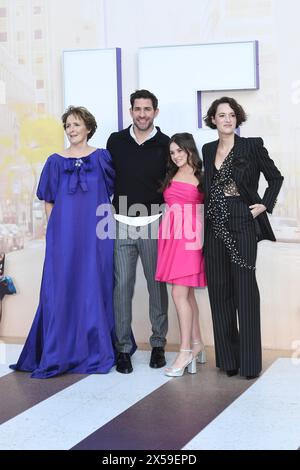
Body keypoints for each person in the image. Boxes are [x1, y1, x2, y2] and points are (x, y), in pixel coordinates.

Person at [10, 106, 116, 378]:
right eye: (68, 125)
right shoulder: (54, 161)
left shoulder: (103, 158)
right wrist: (55, 230)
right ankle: (58, 352)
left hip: (96, 235)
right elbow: (48, 200)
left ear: (88, 127)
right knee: (60, 288)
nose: (72, 129)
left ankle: (94, 351)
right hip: (63, 235)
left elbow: (110, 195)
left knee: (93, 287)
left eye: (77, 124)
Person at [202, 96, 283, 379]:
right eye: (221, 115)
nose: (227, 119)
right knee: (219, 291)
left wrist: (264, 204)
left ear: (237, 119)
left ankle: (249, 364)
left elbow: (276, 178)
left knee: (245, 290)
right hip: (214, 224)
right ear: (213, 119)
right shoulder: (207, 148)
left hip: (241, 218)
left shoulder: (251, 145)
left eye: (231, 115)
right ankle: (229, 360)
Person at [107, 89, 169, 374]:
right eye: (137, 109)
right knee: (122, 287)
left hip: (154, 222)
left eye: (147, 109)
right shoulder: (116, 141)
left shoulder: (166, 144)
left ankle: (158, 345)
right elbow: (107, 179)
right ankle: (122, 350)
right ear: (130, 111)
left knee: (157, 285)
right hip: (121, 222)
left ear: (155, 111)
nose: (142, 114)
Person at [155, 133, 206, 377]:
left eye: (179, 151)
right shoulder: (172, 174)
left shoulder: (202, 176)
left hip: (190, 239)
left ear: (189, 150)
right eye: (172, 152)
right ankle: (197, 345)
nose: (175, 156)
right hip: (172, 238)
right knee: (187, 295)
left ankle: (185, 350)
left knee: (179, 293)